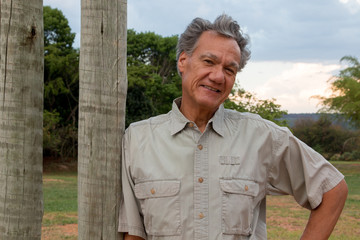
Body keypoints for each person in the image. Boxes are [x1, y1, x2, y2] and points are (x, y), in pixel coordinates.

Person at [118, 14, 348, 240]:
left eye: (230, 69)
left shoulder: (261, 136)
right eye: (209, 61)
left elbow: (332, 189)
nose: (218, 76)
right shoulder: (138, 139)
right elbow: (134, 233)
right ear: (183, 61)